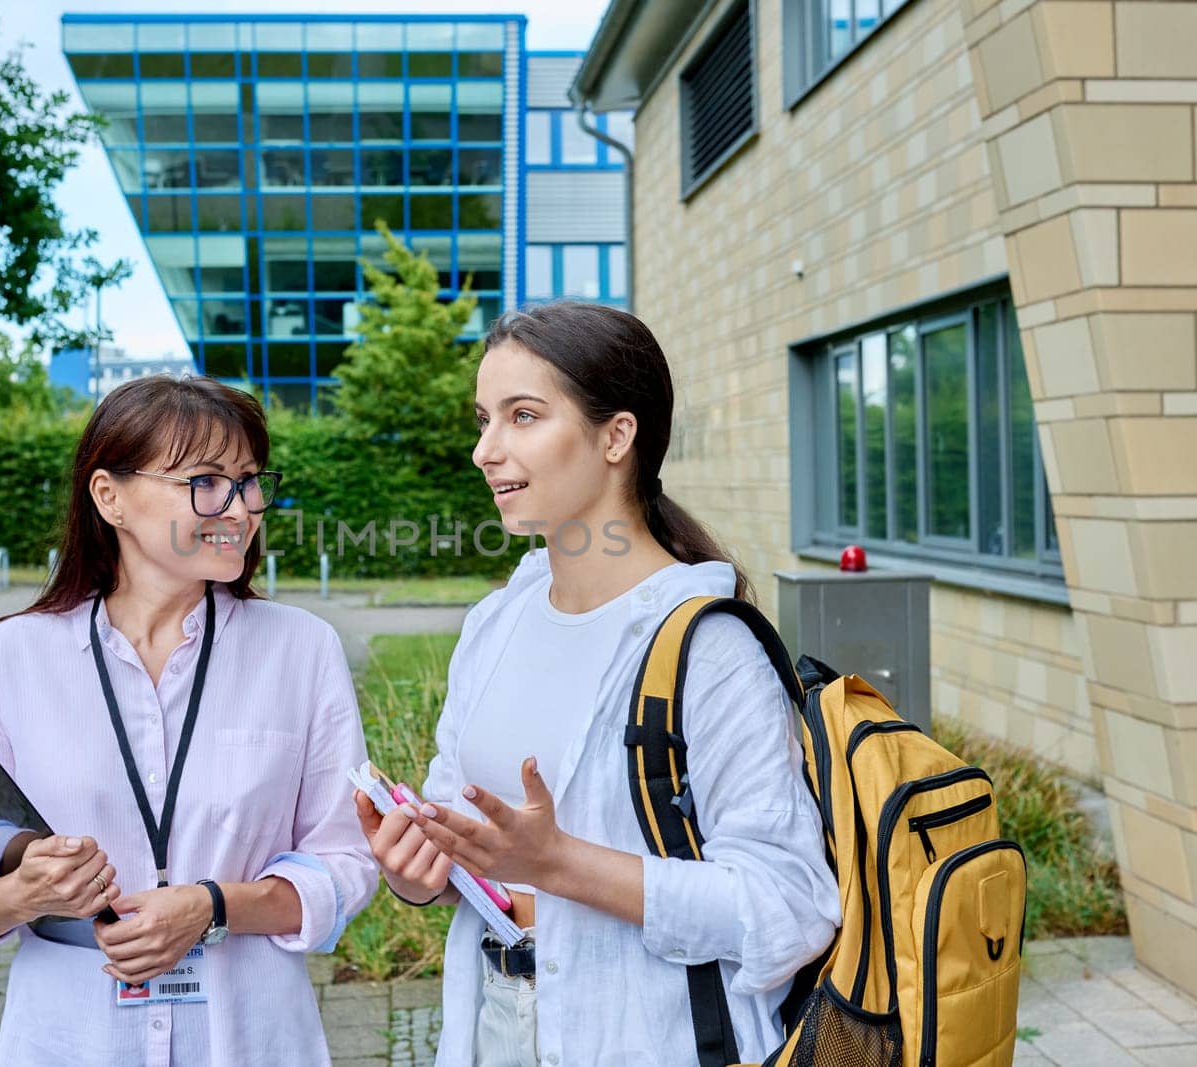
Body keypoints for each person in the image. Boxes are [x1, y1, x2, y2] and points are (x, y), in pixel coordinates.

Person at [355, 302, 840, 1066]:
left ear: (617, 434)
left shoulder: (708, 649)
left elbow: (788, 907)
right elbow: (467, 833)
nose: (486, 449)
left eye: (522, 416)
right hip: (491, 1028)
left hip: (651, 1039)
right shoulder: (497, 622)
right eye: (483, 419)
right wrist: (421, 870)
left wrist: (558, 864)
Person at [0, 375, 378, 1065]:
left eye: (251, 481)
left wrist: (213, 906)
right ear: (110, 497)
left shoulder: (301, 649)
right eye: (207, 481)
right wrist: (19, 892)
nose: (242, 507)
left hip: (248, 1035)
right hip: (70, 1037)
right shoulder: (8, 658)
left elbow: (345, 863)